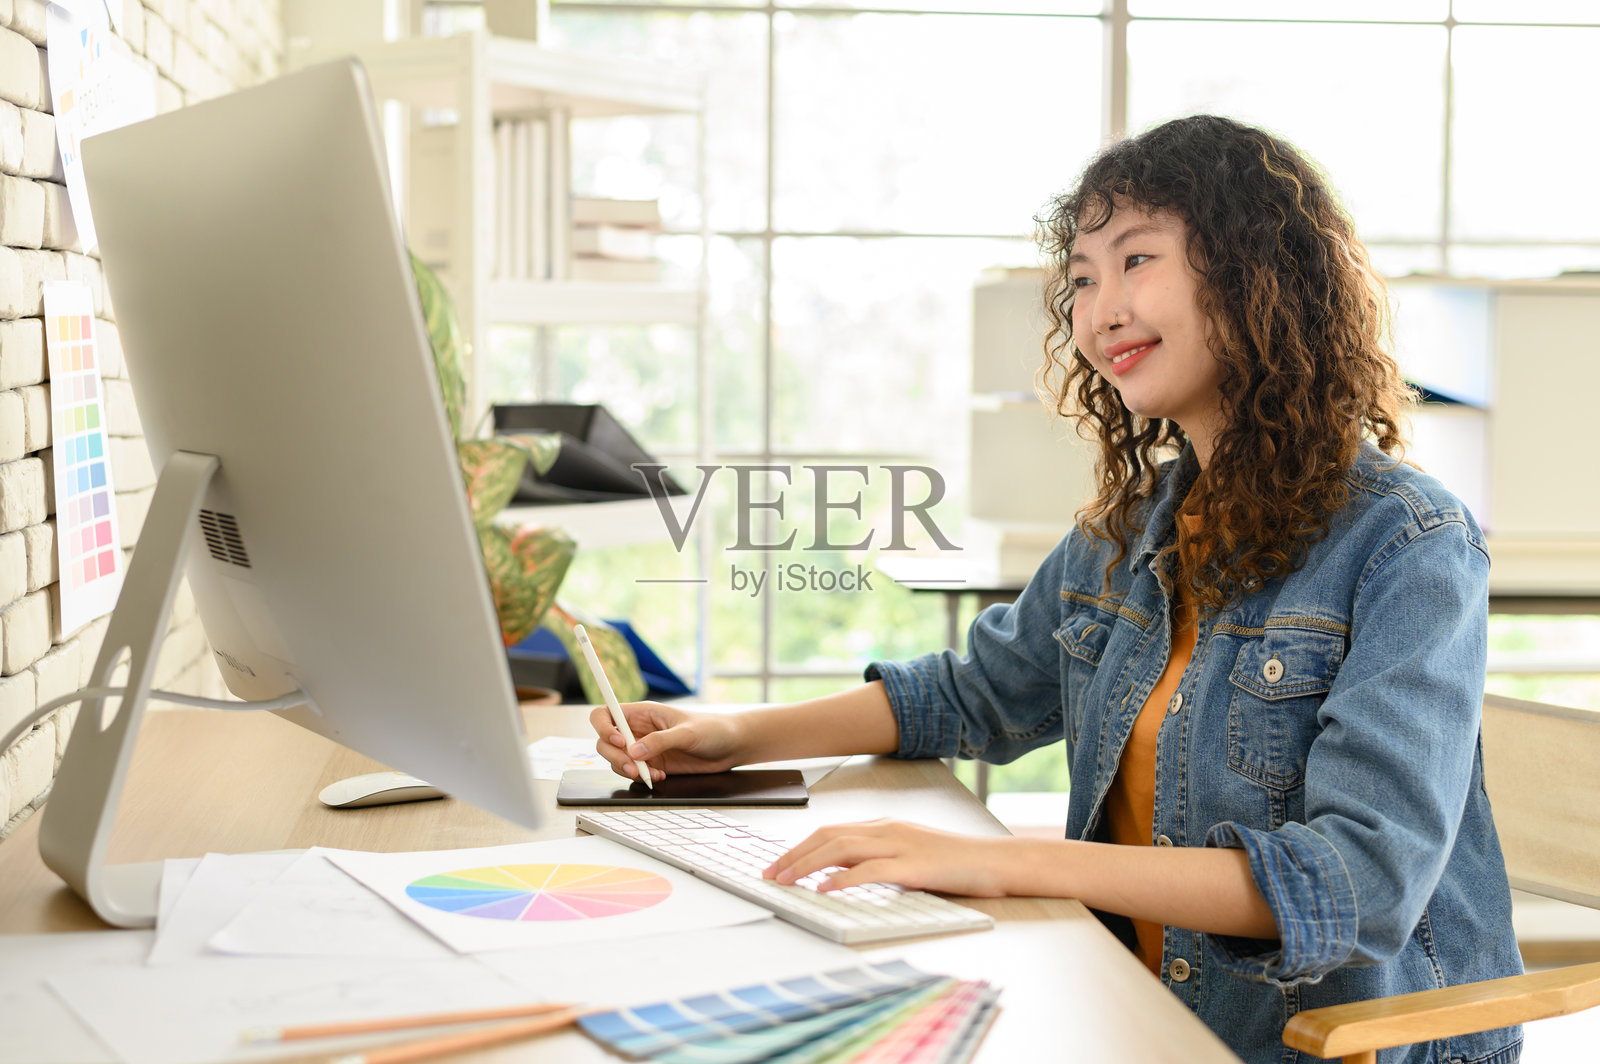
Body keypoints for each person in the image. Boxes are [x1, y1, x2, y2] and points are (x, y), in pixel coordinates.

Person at [589, 114, 1523, 1064]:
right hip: (1137, 1015)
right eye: (1081, 279)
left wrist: (998, 864)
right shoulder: (1136, 527)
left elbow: (1358, 883)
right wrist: (733, 737)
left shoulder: (1408, 543)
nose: (1098, 310)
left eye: (1136, 261)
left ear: (1257, 275)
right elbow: (974, 693)